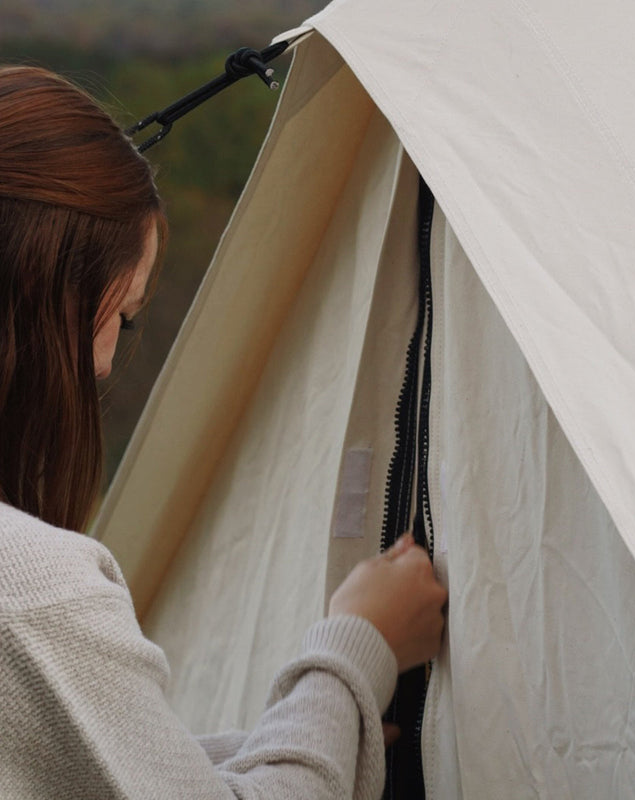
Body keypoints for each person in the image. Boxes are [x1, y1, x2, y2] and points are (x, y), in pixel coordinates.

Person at [0, 65, 448, 799]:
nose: (108, 362)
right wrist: (359, 642)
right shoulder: (32, 588)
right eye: (122, 316)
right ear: (47, 292)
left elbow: (85, 765)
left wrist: (306, 725)